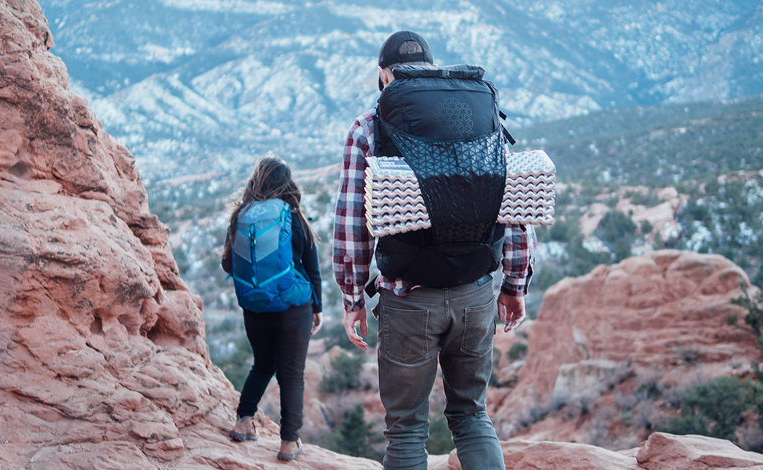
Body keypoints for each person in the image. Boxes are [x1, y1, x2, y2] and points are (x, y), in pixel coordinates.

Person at [333, 31, 536, 470]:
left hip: (409, 296)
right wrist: (515, 284)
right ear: (430, 66)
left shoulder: (369, 125)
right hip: (476, 292)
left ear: (384, 74)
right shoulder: (479, 113)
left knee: (406, 429)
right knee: (472, 416)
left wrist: (352, 298)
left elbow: (353, 222)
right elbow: (514, 201)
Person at [222, 157, 323, 461]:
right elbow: (312, 269)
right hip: (293, 310)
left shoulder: (240, 216)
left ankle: (242, 421)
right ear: (286, 183)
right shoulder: (294, 217)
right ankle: (288, 443)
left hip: (254, 308)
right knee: (291, 375)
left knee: (263, 364)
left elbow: (228, 263)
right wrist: (316, 306)